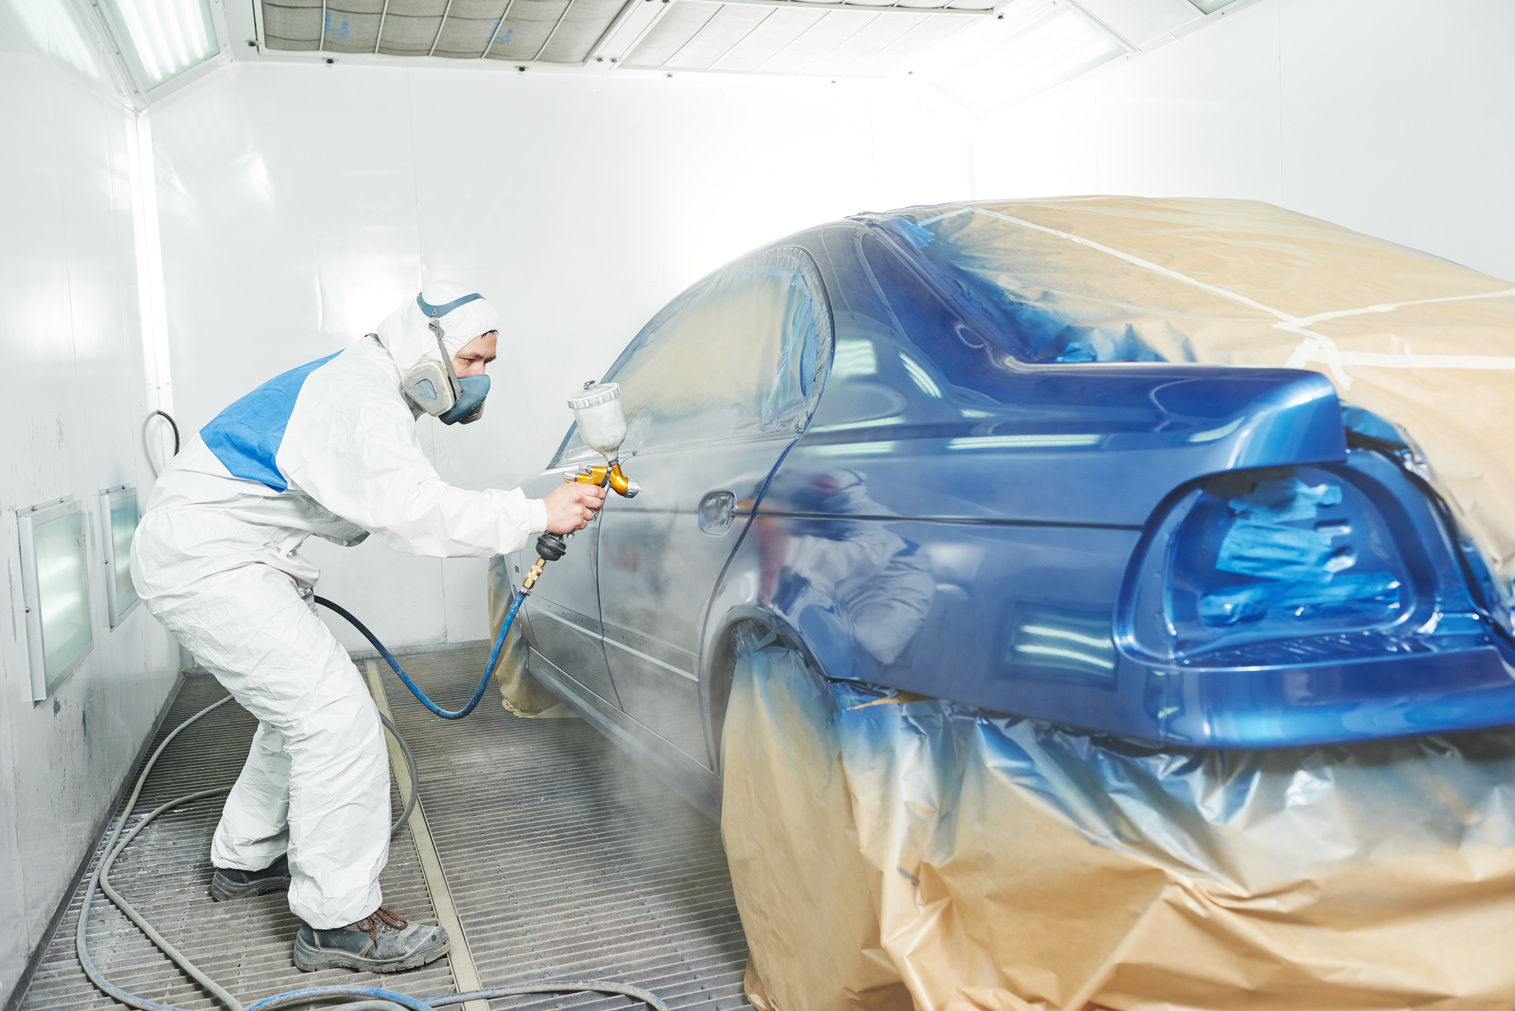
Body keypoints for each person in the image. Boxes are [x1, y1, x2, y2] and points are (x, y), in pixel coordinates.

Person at [131, 282, 604, 973]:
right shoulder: (360, 395)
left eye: (486, 365)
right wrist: (536, 513)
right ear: (427, 346)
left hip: (224, 556)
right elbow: (413, 510)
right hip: (207, 562)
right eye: (471, 361)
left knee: (299, 712)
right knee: (335, 718)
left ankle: (246, 856)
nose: (478, 380)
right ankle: (337, 922)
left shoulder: (366, 386)